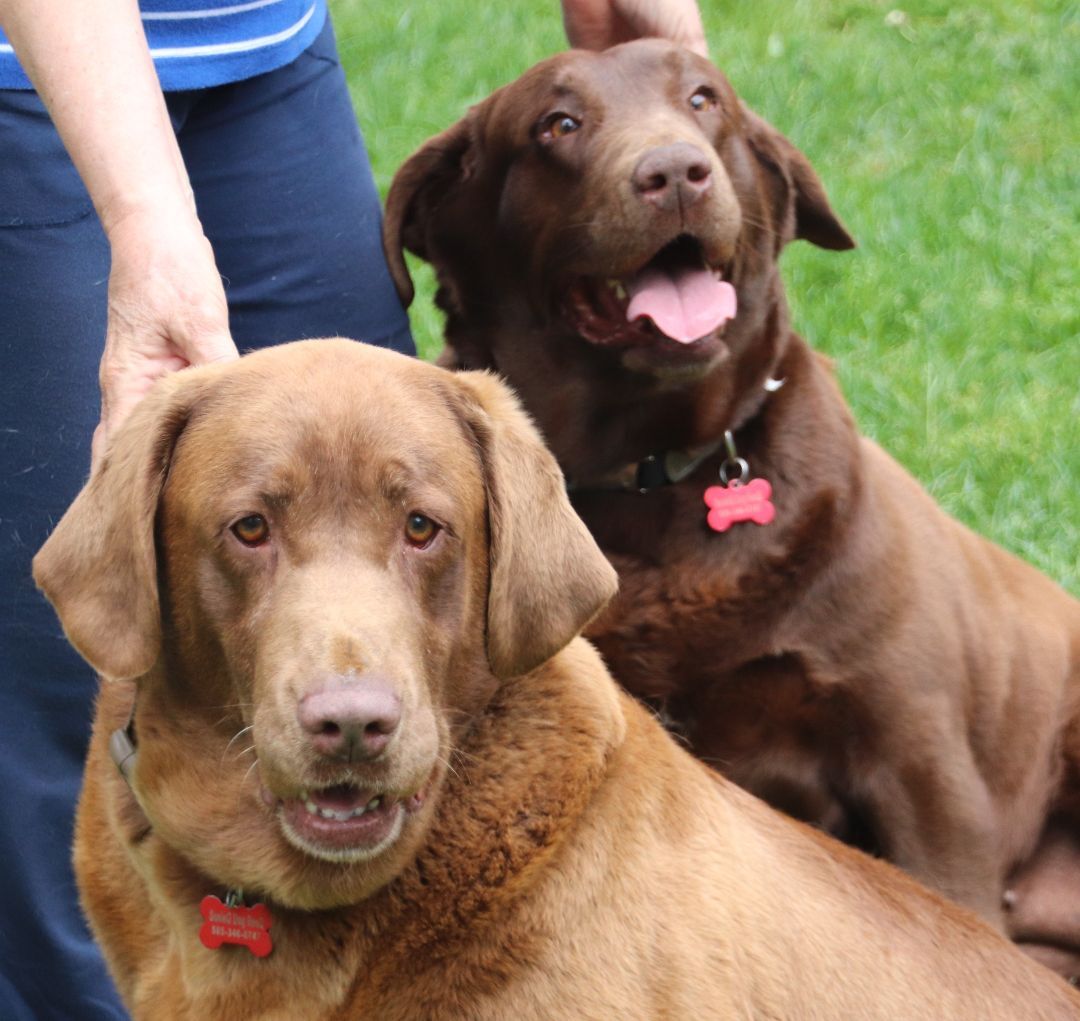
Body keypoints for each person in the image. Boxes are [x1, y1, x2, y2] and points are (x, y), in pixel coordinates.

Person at [0, 1, 705, 1017]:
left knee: (376, 472)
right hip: (29, 59)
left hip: (259, 35)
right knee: (68, 670)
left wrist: (645, 31)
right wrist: (145, 225)